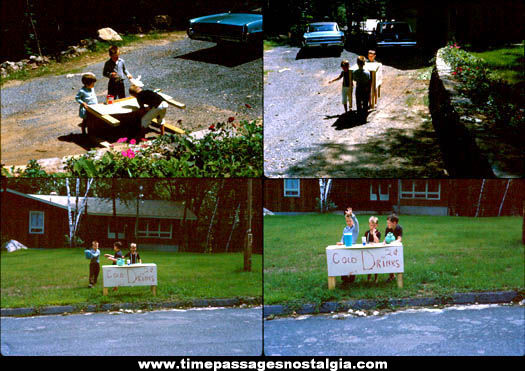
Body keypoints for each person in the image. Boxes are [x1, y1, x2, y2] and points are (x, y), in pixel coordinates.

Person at [336, 207, 359, 284]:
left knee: (352, 263)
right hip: (345, 247)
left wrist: (351, 215)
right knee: (344, 262)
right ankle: (344, 279)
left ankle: (352, 278)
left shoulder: (355, 229)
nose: (348, 222)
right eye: (347, 221)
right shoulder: (345, 229)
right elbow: (343, 237)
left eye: (350, 221)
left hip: (352, 247)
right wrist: (341, 242)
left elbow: (356, 222)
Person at [384, 214, 403, 283]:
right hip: (389, 248)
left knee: (396, 262)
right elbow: (385, 238)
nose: (387, 224)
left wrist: (394, 242)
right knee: (388, 260)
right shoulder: (387, 228)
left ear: (394, 223)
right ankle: (391, 276)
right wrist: (384, 242)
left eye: (389, 223)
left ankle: (399, 277)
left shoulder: (399, 228)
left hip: (396, 248)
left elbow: (399, 238)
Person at [352, 56, 371, 123]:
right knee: (365, 101)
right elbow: (368, 79)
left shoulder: (355, 72)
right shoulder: (367, 72)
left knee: (358, 101)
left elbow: (354, 79)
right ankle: (364, 115)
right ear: (364, 63)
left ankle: (359, 114)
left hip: (359, 87)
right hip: (365, 87)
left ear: (357, 63)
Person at [364, 216, 381, 283]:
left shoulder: (378, 233)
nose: (372, 227)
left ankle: (376, 278)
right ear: (369, 225)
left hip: (376, 251)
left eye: (374, 225)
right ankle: (369, 277)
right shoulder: (367, 233)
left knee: (375, 264)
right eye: (371, 225)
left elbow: (377, 241)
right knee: (368, 264)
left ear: (377, 225)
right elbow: (364, 242)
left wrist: (374, 234)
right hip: (368, 251)